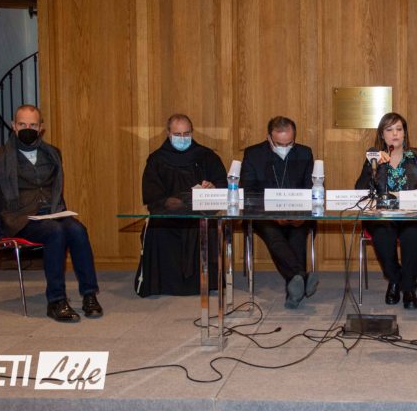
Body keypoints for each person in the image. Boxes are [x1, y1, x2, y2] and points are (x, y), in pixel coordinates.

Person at [0, 105, 102, 322]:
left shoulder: (53, 153)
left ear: (41, 128)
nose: (27, 129)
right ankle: (56, 300)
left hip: (51, 212)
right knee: (55, 232)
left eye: (33, 125)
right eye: (22, 124)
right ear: (13, 125)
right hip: (19, 218)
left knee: (77, 230)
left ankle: (89, 294)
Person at [135, 113, 227, 297]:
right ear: (168, 133)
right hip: (168, 215)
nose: (182, 138)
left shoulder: (206, 156)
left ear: (192, 132)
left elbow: (222, 187)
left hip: (200, 213)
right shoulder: (157, 159)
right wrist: (174, 202)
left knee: (208, 226)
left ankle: (204, 284)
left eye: (186, 134)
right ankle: (164, 285)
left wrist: (212, 187)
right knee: (158, 228)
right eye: (178, 134)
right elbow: (153, 197)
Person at [355, 112, 417, 310]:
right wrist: (372, 164)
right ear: (382, 135)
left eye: (399, 129)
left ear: (404, 133)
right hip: (383, 216)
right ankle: (397, 280)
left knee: (411, 235)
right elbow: (359, 189)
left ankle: (407, 288)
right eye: (389, 130)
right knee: (383, 235)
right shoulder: (375, 157)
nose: (395, 134)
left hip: (412, 215)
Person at [241, 116, 317, 309]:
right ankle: (300, 276)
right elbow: (249, 192)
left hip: (298, 213)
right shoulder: (253, 154)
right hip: (264, 215)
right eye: (279, 144)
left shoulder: (305, 153)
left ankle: (294, 290)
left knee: (298, 234)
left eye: (289, 143)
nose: (285, 147)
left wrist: (300, 214)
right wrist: (272, 214)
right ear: (269, 138)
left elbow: (311, 188)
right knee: (273, 234)